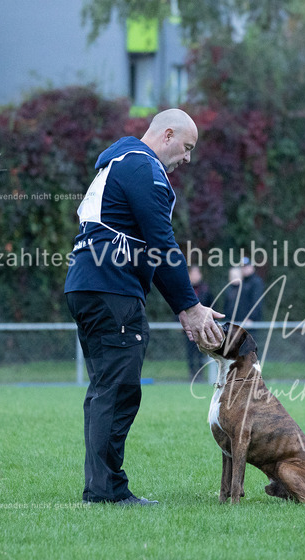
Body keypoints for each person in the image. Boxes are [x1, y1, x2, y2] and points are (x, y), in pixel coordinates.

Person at [64, 108, 225, 506]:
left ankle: (102, 487)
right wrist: (190, 306)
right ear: (167, 135)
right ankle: (106, 491)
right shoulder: (143, 166)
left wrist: (184, 306)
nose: (188, 158)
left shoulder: (116, 163)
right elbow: (161, 242)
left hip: (88, 286)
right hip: (112, 290)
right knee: (117, 391)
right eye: (186, 147)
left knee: (106, 389)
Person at [185, 265, 213, 380]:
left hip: (202, 327)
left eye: (197, 273)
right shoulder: (184, 289)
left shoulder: (206, 290)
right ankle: (192, 373)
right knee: (190, 352)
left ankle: (200, 374)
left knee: (201, 351)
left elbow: (211, 305)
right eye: (193, 274)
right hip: (188, 327)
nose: (195, 276)